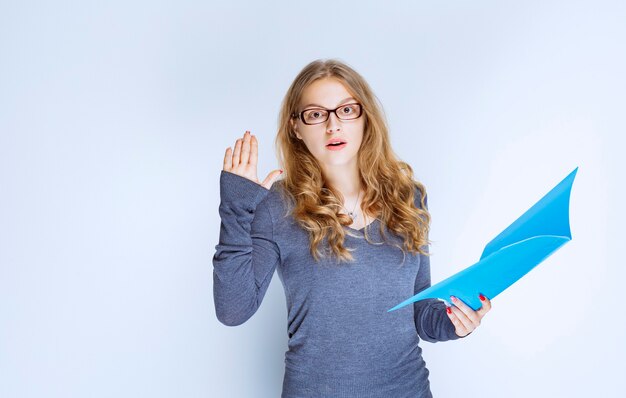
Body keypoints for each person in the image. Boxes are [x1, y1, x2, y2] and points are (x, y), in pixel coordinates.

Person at [213, 58, 492, 398]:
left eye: (346, 110)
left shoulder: (410, 198)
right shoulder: (277, 207)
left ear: (365, 118)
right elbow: (233, 310)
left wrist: (456, 320)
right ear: (296, 127)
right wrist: (236, 209)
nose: (333, 125)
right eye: (316, 114)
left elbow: (422, 314)